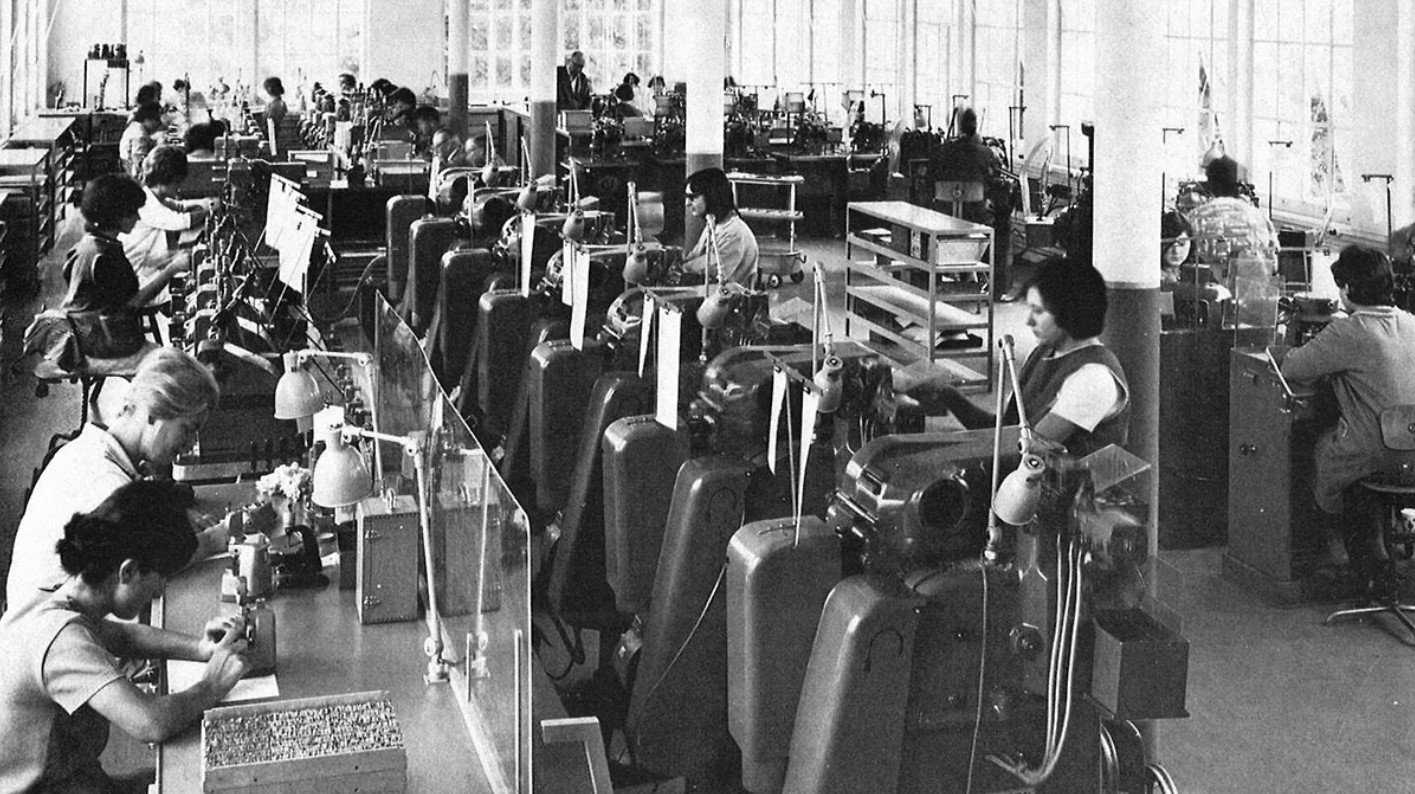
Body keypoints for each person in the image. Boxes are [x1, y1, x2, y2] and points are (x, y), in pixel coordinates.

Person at [0, 480, 249, 793]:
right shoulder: (61, 641)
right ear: (127, 571)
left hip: (75, 779)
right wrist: (211, 685)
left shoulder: (57, 597)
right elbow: (150, 723)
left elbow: (123, 636)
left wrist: (199, 648)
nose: (160, 590)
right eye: (159, 577)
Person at [8, 344, 226, 606]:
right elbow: (150, 567)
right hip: (50, 619)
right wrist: (213, 539)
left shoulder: (90, 445)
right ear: (154, 413)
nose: (190, 444)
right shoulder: (106, 482)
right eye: (188, 429)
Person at [901, 257, 1130, 456]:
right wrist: (948, 395)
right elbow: (1004, 431)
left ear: (1069, 314)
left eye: (1038, 311)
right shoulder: (1045, 352)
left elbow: (1024, 449)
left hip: (1067, 489)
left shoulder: (1093, 378)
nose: (1028, 321)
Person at [1279, 245, 1415, 574]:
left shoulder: (1349, 330)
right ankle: (1379, 552)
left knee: (1312, 447)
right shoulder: (1412, 323)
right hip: (1412, 455)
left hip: (1375, 454)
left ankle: (1332, 552)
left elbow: (1292, 367)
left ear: (1349, 288)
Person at [60, 174, 187, 361]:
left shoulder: (91, 244)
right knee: (172, 361)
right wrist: (172, 270)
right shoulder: (105, 257)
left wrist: (170, 260)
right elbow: (133, 304)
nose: (138, 217)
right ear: (117, 215)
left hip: (86, 333)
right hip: (104, 341)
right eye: (133, 212)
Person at [122, 146, 213, 292]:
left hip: (148, 262)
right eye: (177, 182)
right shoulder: (146, 202)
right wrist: (210, 208)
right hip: (137, 274)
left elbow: (179, 206)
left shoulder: (155, 195)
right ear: (166, 179)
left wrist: (203, 202)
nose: (179, 187)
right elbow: (180, 221)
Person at [1188, 154, 1278, 284]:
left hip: (1207, 286)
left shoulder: (1197, 216)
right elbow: (1273, 263)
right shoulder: (1258, 216)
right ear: (1239, 185)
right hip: (1251, 286)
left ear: (1210, 184)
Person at [681, 167, 760, 288]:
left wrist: (678, 268)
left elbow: (707, 271)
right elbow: (692, 258)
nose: (687, 203)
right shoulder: (715, 224)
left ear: (712, 195)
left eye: (693, 197)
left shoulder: (734, 233)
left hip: (727, 297)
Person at [120, 102, 166, 178]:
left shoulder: (135, 126)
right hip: (134, 172)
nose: (159, 124)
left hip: (128, 165)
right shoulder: (139, 135)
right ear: (146, 119)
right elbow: (139, 162)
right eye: (156, 120)